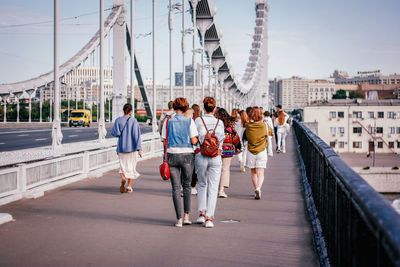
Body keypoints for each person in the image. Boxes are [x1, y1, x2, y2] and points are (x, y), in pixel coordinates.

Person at [162, 98, 199, 227]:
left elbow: (164, 140)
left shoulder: (168, 122)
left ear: (174, 107)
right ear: (185, 108)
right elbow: (194, 140)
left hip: (172, 156)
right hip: (187, 156)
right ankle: (187, 216)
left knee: (176, 188)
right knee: (187, 186)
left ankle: (179, 219)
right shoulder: (190, 121)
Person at [194, 97, 225, 228]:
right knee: (213, 188)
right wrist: (218, 150)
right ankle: (209, 218)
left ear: (204, 107)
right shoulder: (220, 123)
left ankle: (201, 214)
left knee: (202, 184)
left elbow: (194, 138)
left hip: (201, 155)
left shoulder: (198, 120)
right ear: (215, 108)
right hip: (215, 157)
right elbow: (222, 140)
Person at [111, 103, 142, 193]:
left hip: (121, 148)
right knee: (131, 167)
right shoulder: (134, 121)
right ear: (131, 111)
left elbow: (115, 133)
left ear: (123, 110)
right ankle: (128, 186)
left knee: (123, 167)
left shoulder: (118, 120)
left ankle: (123, 178)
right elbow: (137, 136)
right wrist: (139, 148)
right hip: (131, 148)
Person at [216, 108, 241, 198]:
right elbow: (236, 138)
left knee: (215, 170)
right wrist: (238, 147)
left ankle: (213, 188)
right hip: (228, 149)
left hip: (216, 150)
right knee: (225, 169)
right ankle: (221, 190)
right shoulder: (230, 127)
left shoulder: (215, 125)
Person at [245, 107, 268, 200]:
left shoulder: (248, 126)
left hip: (251, 152)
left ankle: (255, 189)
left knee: (253, 172)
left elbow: (246, 136)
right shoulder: (264, 125)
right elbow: (270, 133)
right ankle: (258, 188)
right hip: (262, 151)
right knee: (261, 172)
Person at [190, 104, 201, 195]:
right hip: (197, 148)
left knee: (186, 168)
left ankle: (184, 186)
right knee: (194, 169)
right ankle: (193, 187)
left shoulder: (189, 121)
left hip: (187, 147)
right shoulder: (200, 121)